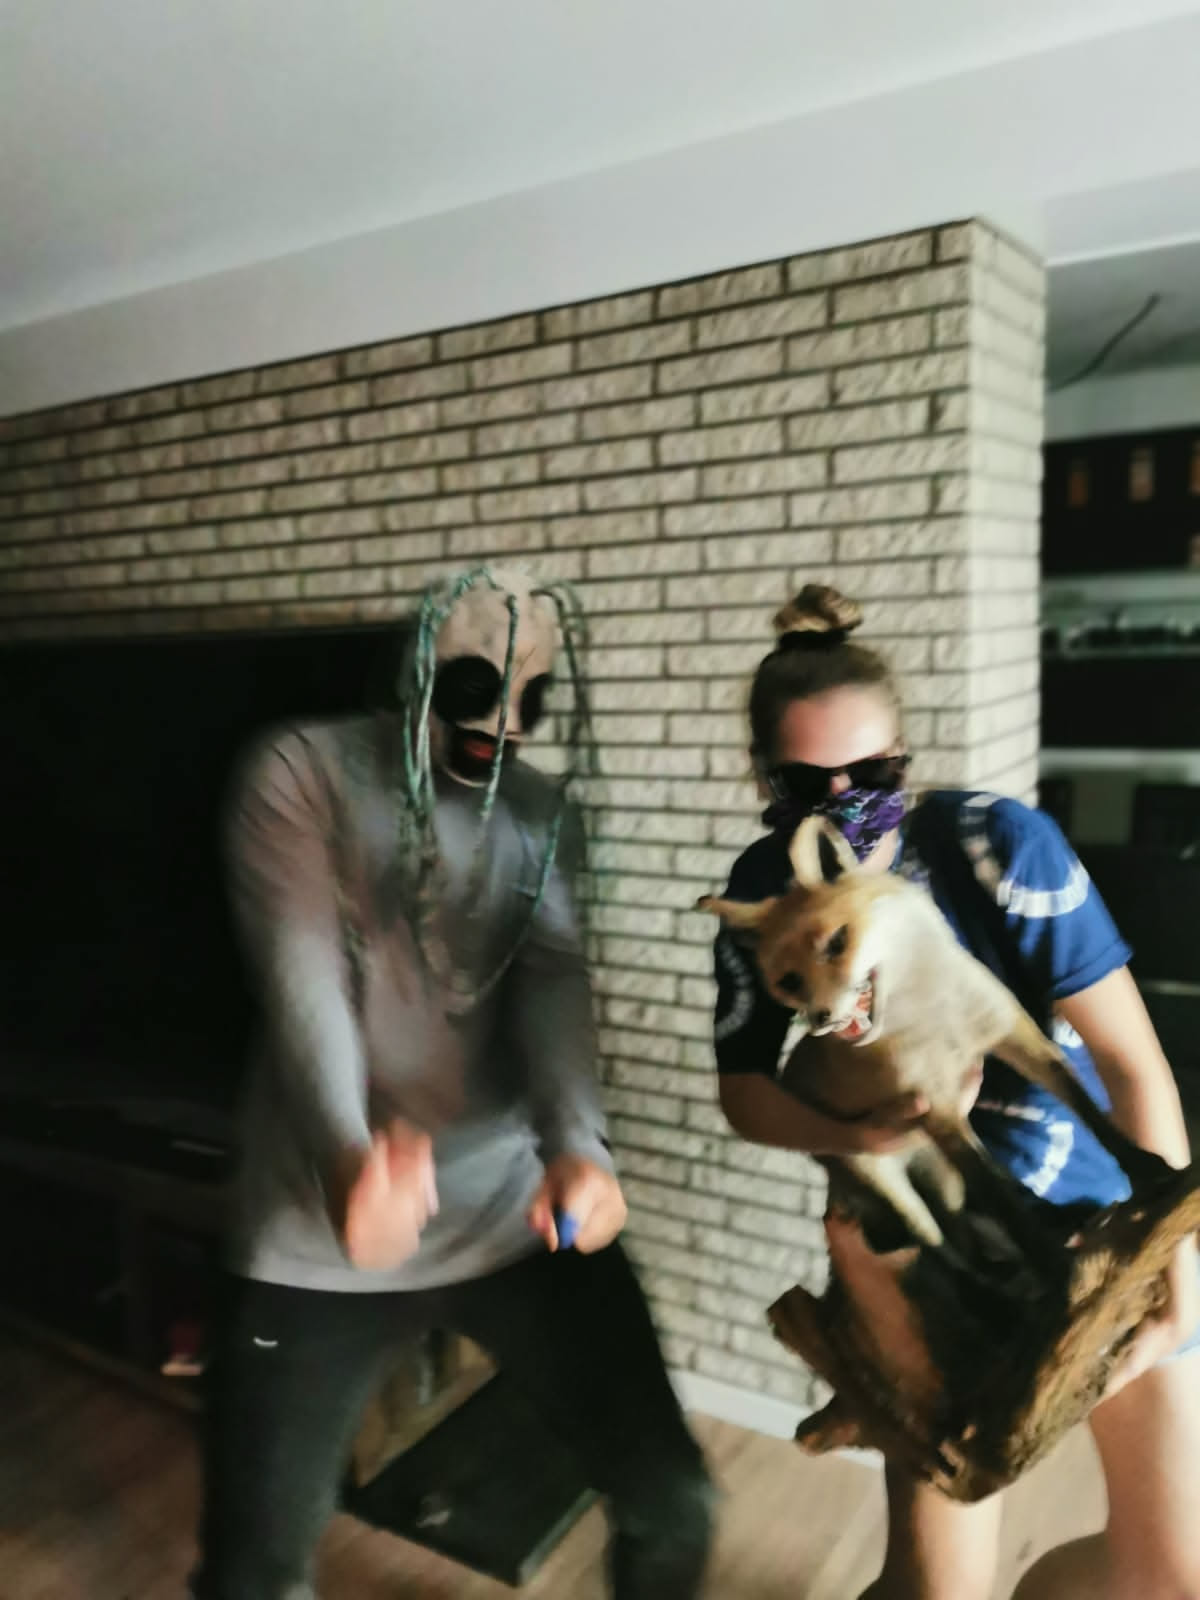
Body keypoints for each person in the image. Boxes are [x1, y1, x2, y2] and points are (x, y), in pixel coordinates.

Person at [191, 566, 713, 1600]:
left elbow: (552, 983)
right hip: (319, 1231)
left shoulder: (542, 811)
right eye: (479, 687)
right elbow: (304, 976)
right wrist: (349, 1159)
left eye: (534, 699)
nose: (506, 724)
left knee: (675, 1499)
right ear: (417, 669)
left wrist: (580, 1147)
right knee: (253, 1566)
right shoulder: (300, 769)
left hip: (513, 1212)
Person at [711, 583, 1200, 1600]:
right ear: (763, 780)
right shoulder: (763, 898)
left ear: (905, 762)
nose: (845, 804)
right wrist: (865, 1139)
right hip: (932, 1255)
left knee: (1169, 1573)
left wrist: (1178, 1287)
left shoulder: (999, 848)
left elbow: (1131, 1066)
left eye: (872, 776)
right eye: (807, 784)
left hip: (1090, 1213)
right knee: (939, 1588)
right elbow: (747, 1091)